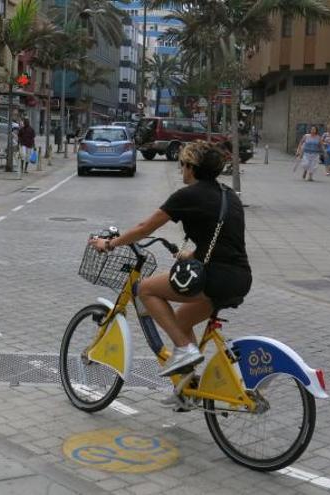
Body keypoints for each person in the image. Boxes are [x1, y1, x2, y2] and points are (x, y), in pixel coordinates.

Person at [89, 141, 252, 378]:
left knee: (144, 289)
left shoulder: (188, 195)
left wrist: (109, 243)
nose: (181, 169)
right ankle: (188, 385)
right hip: (240, 278)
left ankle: (185, 350)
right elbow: (224, 242)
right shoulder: (229, 195)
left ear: (191, 168)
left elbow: (145, 228)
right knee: (181, 321)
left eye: (183, 164)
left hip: (216, 278)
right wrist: (191, 256)